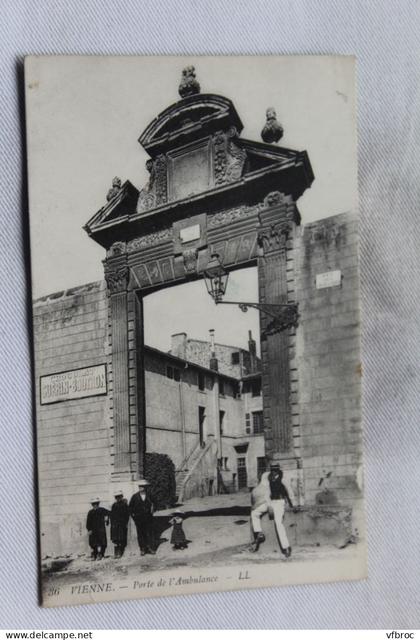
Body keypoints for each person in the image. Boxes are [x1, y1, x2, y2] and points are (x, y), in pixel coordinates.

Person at [251, 464, 298, 557]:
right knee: (255, 513)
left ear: (278, 470)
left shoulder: (282, 479)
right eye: (272, 470)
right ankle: (259, 533)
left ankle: (286, 547)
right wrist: (268, 505)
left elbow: (289, 491)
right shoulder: (269, 479)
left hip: (280, 502)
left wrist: (294, 504)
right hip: (271, 502)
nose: (273, 472)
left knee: (278, 523)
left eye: (275, 470)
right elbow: (267, 494)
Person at [129, 479, 156, 556]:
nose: (140, 488)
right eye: (139, 486)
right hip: (139, 519)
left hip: (148, 518)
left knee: (149, 533)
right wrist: (134, 517)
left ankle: (150, 548)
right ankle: (142, 549)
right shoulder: (135, 496)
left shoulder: (150, 495)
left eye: (142, 486)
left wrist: (153, 510)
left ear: (146, 487)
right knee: (140, 534)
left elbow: (155, 504)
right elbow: (130, 508)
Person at [110, 490, 130, 558]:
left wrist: (125, 523)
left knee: (121, 538)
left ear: (121, 497)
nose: (118, 498)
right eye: (116, 497)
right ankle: (116, 552)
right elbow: (112, 515)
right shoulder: (114, 505)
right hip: (115, 525)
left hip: (122, 524)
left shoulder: (124, 505)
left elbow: (127, 515)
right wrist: (112, 524)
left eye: (119, 497)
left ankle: (120, 552)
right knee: (115, 539)